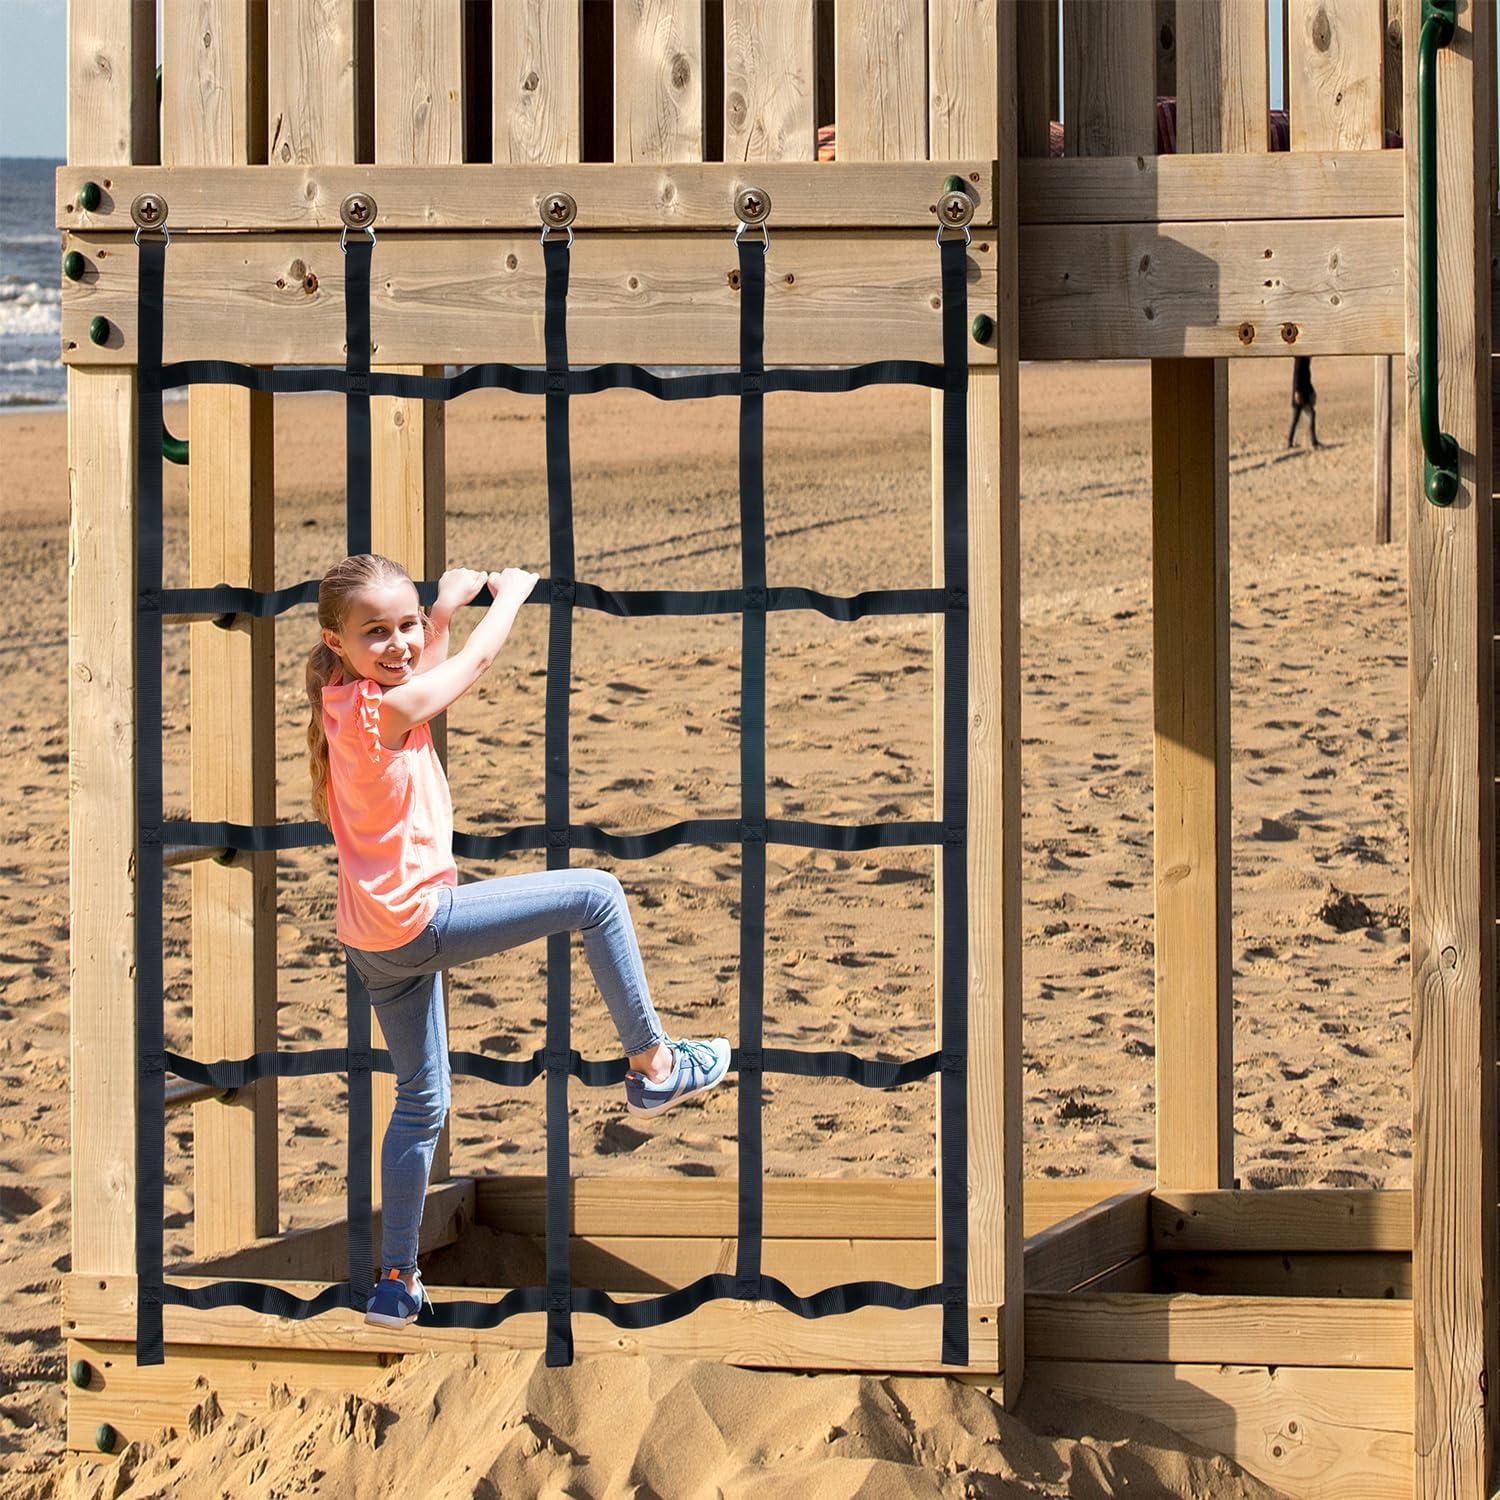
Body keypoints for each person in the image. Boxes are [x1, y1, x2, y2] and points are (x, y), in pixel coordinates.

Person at [305, 553, 731, 1330]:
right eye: (377, 633)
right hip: (418, 921)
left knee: (421, 1100)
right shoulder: (384, 710)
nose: (396, 644)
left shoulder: (347, 701)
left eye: (402, 627)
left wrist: (438, 613)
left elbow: (423, 681)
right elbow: (472, 666)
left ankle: (397, 1280)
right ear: (336, 639)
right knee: (596, 894)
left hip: (369, 940)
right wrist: (509, 601)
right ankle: (658, 1065)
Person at [1287, 356, 1322, 449]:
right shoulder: (1301, 359)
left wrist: (1312, 392)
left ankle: (1290, 442)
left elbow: (1307, 380)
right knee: (1307, 416)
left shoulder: (1305, 360)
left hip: (1304, 395)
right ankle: (1313, 441)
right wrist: (1297, 392)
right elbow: (1297, 377)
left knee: (1296, 419)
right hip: (1300, 396)